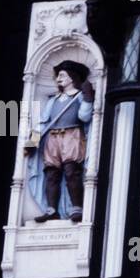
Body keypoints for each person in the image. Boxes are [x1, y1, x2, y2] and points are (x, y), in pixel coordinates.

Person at [24, 61, 94, 223]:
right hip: (53, 138)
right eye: (58, 76)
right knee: (51, 174)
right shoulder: (53, 100)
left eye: (62, 75)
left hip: (71, 135)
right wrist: (32, 142)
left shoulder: (77, 97)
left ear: (72, 78)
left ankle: (77, 207)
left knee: (72, 171)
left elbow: (84, 117)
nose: (58, 79)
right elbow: (43, 122)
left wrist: (88, 98)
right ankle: (51, 209)